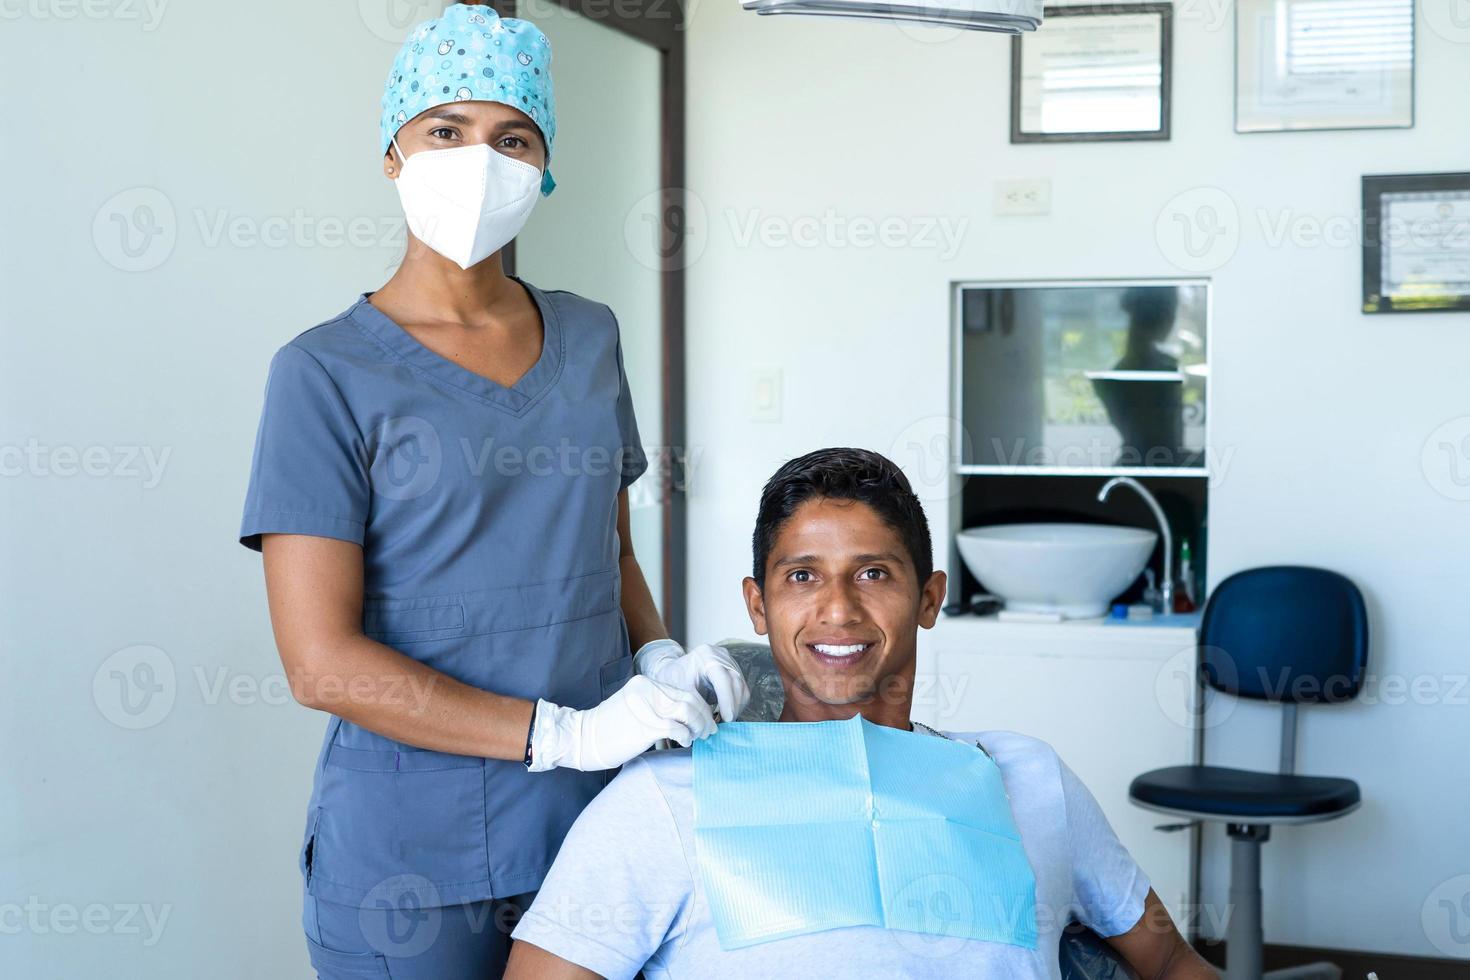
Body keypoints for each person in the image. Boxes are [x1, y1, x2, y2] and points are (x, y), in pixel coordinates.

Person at [237, 5, 748, 976]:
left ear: (543, 167)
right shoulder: (324, 372)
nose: (480, 159)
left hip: (603, 833)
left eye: (512, 137)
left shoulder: (592, 335)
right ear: (394, 153)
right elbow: (321, 662)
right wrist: (565, 731)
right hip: (414, 867)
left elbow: (612, 549)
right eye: (446, 130)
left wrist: (660, 653)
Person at [504, 448, 1218, 979]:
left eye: (874, 573)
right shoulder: (661, 803)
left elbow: (1172, 964)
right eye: (802, 576)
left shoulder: (1030, 779)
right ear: (759, 605)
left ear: (930, 598)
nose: (838, 609)